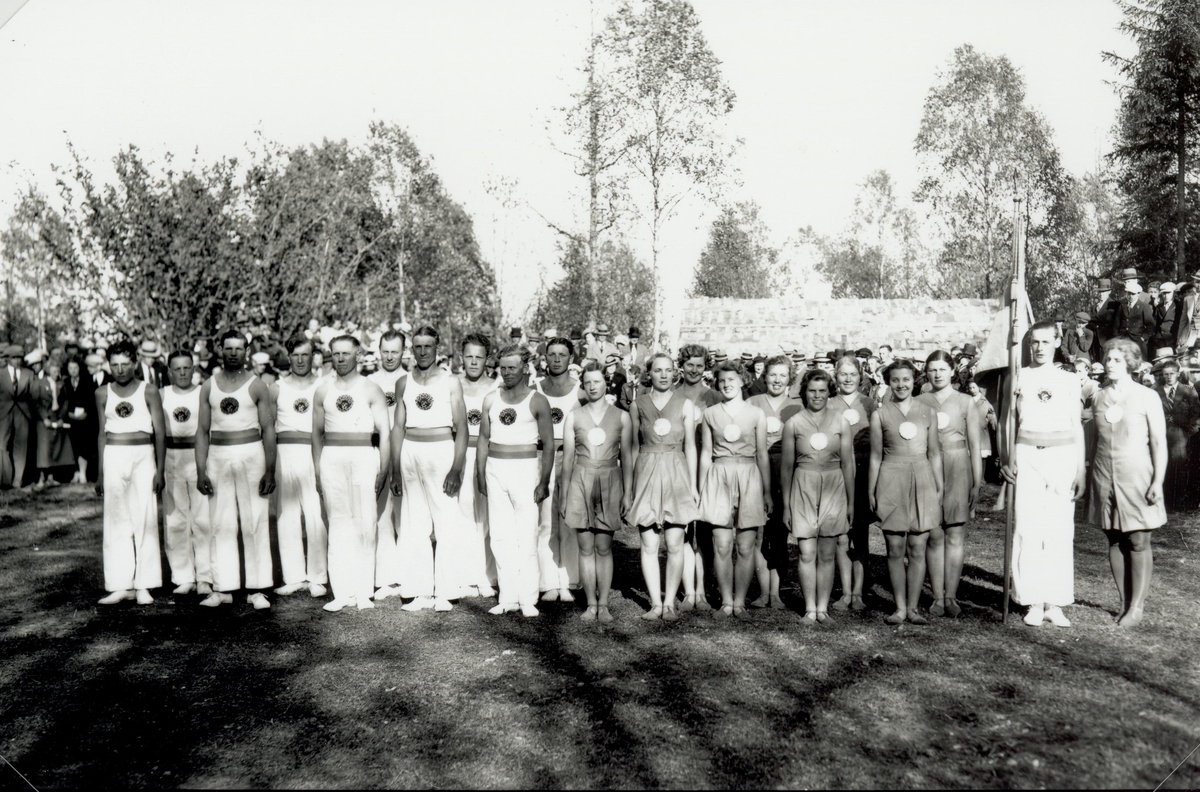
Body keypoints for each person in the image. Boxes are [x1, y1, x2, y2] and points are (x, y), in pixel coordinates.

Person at [1001, 320, 1085, 627]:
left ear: (1057, 342)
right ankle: (1033, 601)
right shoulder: (1019, 376)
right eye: (1034, 342)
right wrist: (1007, 457)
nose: (1039, 348)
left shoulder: (1070, 379)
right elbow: (1008, 420)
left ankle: (1055, 602)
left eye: (1045, 342)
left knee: (1059, 529)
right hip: (1027, 454)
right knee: (1028, 527)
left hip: (1062, 456)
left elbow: (1076, 425)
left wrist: (1080, 468)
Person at [195, 329, 277, 610]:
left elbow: (269, 429)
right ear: (220, 350)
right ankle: (223, 587)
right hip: (218, 455)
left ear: (247, 351)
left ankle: (257, 588)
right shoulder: (209, 386)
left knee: (255, 520)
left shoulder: (257, 385)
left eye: (238, 348)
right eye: (228, 348)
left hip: (251, 454)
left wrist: (270, 470)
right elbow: (202, 431)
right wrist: (201, 470)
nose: (233, 353)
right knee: (220, 521)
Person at [391, 325, 470, 612]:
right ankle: (420, 591)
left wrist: (456, 468)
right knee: (414, 523)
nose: (423, 351)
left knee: (446, 522)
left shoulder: (450, 382)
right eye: (418, 346)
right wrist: (395, 469)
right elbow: (397, 427)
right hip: (411, 453)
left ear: (437, 348)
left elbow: (462, 428)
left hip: (441, 452)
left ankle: (446, 592)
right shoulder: (403, 382)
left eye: (428, 346)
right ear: (411, 349)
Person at [1089, 338, 1168, 628]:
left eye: (1117, 360)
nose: (1110, 364)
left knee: (1138, 540)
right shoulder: (1098, 397)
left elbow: (1158, 442)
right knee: (1113, 537)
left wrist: (1157, 481)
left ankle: (1136, 607)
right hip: (1103, 474)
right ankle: (1124, 602)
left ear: (1131, 364)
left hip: (1137, 475)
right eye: (1108, 359)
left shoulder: (1147, 396)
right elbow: (1093, 440)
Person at [313, 335, 391, 612]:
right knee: (338, 523)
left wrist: (384, 468)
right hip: (332, 460)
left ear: (357, 355)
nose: (341, 358)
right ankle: (342, 592)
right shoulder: (322, 390)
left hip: (363, 458)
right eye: (336, 353)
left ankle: (363, 591)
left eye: (346, 353)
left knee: (365, 521)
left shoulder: (371, 389)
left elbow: (385, 433)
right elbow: (316, 434)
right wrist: (317, 469)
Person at [476, 344, 554, 618]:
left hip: (525, 471)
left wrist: (544, 482)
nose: (507, 372)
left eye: (513, 367)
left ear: (525, 368)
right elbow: (483, 439)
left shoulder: (537, 400)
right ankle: (507, 597)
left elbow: (549, 444)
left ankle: (528, 598)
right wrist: (480, 473)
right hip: (495, 470)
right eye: (503, 368)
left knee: (527, 534)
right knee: (500, 536)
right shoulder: (491, 399)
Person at [869, 359, 942, 625]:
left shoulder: (928, 412)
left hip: (922, 478)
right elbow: (875, 456)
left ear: (914, 380)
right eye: (896, 380)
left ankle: (913, 608)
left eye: (906, 379)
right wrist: (872, 491)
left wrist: (939, 486)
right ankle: (899, 608)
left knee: (918, 547)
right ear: (889, 382)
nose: (901, 385)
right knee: (895, 547)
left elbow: (934, 453)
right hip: (891, 478)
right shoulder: (879, 415)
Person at [628, 353, 700, 620]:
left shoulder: (686, 404)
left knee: (675, 542)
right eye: (658, 370)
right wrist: (631, 486)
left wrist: (692, 485)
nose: (663, 375)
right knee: (648, 543)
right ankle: (655, 604)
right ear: (649, 374)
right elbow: (632, 447)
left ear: (675, 373)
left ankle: (669, 602)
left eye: (668, 370)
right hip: (646, 471)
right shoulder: (637, 404)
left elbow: (690, 446)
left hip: (676, 471)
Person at [95, 340, 166, 605]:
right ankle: (120, 584)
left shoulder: (149, 390)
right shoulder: (102, 393)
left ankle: (144, 584)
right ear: (108, 365)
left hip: (142, 456)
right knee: (116, 519)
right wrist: (100, 473)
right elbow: (102, 433)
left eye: (125, 364)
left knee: (144, 517)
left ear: (135, 363)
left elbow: (160, 432)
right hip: (114, 456)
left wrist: (160, 470)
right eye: (114, 365)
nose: (120, 369)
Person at [560, 361, 632, 623]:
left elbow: (627, 457)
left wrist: (627, 492)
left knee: (604, 547)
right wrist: (564, 495)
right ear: (583, 385)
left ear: (606, 383)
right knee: (585, 546)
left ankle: (604, 604)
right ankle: (591, 603)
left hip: (610, 480)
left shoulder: (621, 417)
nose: (592, 387)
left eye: (597, 381)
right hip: (581, 480)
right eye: (587, 382)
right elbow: (568, 459)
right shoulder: (574, 416)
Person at [780, 368, 853, 622]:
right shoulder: (793, 423)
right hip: (803, 485)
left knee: (827, 553)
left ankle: (823, 608)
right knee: (806, 552)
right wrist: (787, 506)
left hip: (833, 485)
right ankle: (810, 608)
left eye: (822, 390)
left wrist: (850, 502)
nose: (817, 395)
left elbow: (848, 464)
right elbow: (787, 467)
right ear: (804, 393)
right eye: (812, 390)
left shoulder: (841, 422)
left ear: (829, 392)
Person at [699, 360, 770, 619]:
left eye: (732, 379)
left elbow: (762, 454)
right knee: (722, 545)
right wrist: (702, 488)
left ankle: (740, 602)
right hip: (719, 476)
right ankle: (726, 602)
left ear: (742, 380)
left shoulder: (756, 414)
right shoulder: (710, 414)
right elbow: (706, 454)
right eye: (722, 381)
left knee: (746, 546)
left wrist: (767, 491)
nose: (727, 384)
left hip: (749, 476)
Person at [917, 351, 983, 618]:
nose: (937, 374)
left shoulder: (965, 401)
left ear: (953, 370)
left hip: (957, 467)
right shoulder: (919, 401)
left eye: (942, 369)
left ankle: (951, 596)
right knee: (934, 534)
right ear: (926, 372)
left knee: (955, 534)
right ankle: (937, 596)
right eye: (932, 369)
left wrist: (976, 483)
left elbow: (975, 446)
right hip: (928, 468)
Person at [271, 335, 328, 599]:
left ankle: (318, 577)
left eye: (305, 354)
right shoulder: (276, 388)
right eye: (295, 355)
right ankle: (293, 576)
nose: (301, 360)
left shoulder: (323, 385)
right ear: (289, 357)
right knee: (287, 515)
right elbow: (268, 428)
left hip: (313, 452)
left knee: (316, 514)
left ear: (313, 356)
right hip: (285, 454)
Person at [746, 355, 802, 609]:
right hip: (756, 470)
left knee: (780, 533)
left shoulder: (796, 407)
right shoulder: (752, 403)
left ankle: (776, 592)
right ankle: (762, 591)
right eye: (772, 375)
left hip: (785, 473)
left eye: (783, 375)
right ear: (764, 376)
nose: (777, 380)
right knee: (758, 532)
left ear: (790, 378)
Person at [159, 349, 213, 596]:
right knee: (176, 520)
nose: (182, 373)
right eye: (177, 369)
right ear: (169, 371)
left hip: (199, 457)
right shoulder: (162, 394)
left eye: (186, 368)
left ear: (193, 368)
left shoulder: (203, 392)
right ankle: (183, 576)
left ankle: (205, 576)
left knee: (203, 518)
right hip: (172, 458)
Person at [536, 336, 584, 602]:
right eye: (551, 354)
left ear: (571, 359)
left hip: (571, 458)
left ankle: (569, 581)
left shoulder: (581, 391)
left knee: (568, 520)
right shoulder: (535, 389)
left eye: (562, 354)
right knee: (545, 521)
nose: (556, 359)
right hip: (541, 457)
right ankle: (548, 582)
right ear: (545, 358)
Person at [674, 344, 721, 610]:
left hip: (707, 467)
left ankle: (702, 590)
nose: (694, 370)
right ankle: (687, 590)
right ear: (681, 366)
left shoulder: (714, 396)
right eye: (689, 364)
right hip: (678, 466)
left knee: (703, 530)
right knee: (680, 529)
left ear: (706, 367)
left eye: (699, 365)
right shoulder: (671, 394)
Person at [828, 355, 876, 611]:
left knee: (860, 534)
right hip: (837, 472)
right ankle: (845, 592)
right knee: (840, 535)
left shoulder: (869, 404)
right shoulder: (828, 404)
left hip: (863, 472)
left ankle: (858, 592)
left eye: (853, 374)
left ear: (861, 377)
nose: (848, 379)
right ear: (836, 377)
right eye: (843, 374)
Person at [458, 333, 500, 597]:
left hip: (488, 455)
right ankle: (464, 575)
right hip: (459, 454)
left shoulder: (497, 387)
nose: (473, 362)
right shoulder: (452, 385)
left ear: (487, 359)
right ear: (461, 357)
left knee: (486, 515)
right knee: (462, 513)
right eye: (469, 356)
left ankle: (487, 576)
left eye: (479, 357)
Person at [367, 329, 407, 600]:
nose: (390, 356)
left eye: (395, 351)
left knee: (406, 516)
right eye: (385, 351)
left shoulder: (410, 380)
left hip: (405, 451)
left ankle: (406, 575)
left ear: (404, 352)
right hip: (376, 450)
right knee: (381, 515)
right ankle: (385, 578)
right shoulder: (369, 382)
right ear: (379, 351)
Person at [1152, 356, 1200, 509]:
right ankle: (1165, 500)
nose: (1168, 377)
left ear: (1178, 374)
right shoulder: (1155, 392)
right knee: (1163, 465)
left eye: (1171, 373)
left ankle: (1179, 501)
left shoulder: (1187, 391)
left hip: (1182, 436)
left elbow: (1196, 413)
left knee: (1180, 465)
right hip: (1161, 435)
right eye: (1165, 374)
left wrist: (1189, 432)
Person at [33, 359, 73, 490]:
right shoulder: (40, 382)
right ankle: (41, 478)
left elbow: (66, 401)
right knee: (43, 449)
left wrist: (61, 417)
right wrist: (44, 417)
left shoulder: (61, 383)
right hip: (43, 420)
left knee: (55, 447)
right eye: (54, 371)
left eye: (58, 371)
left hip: (56, 418)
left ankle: (51, 478)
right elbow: (36, 402)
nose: (57, 373)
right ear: (48, 370)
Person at [0, 344, 35, 489]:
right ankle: (4, 478)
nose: (17, 361)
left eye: (19, 358)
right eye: (14, 358)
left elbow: (33, 395)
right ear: (7, 359)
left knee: (21, 447)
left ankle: (18, 479)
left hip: (23, 413)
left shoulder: (28, 374)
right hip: (3, 414)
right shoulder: (1, 373)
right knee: (2, 445)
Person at [62, 356, 97, 483]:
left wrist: (86, 413)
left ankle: (83, 473)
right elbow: (63, 401)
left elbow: (92, 400)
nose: (73, 370)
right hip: (71, 419)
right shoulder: (65, 382)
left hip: (84, 420)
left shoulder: (87, 381)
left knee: (84, 446)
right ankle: (76, 472)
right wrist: (68, 414)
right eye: (70, 368)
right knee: (73, 446)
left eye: (75, 367)